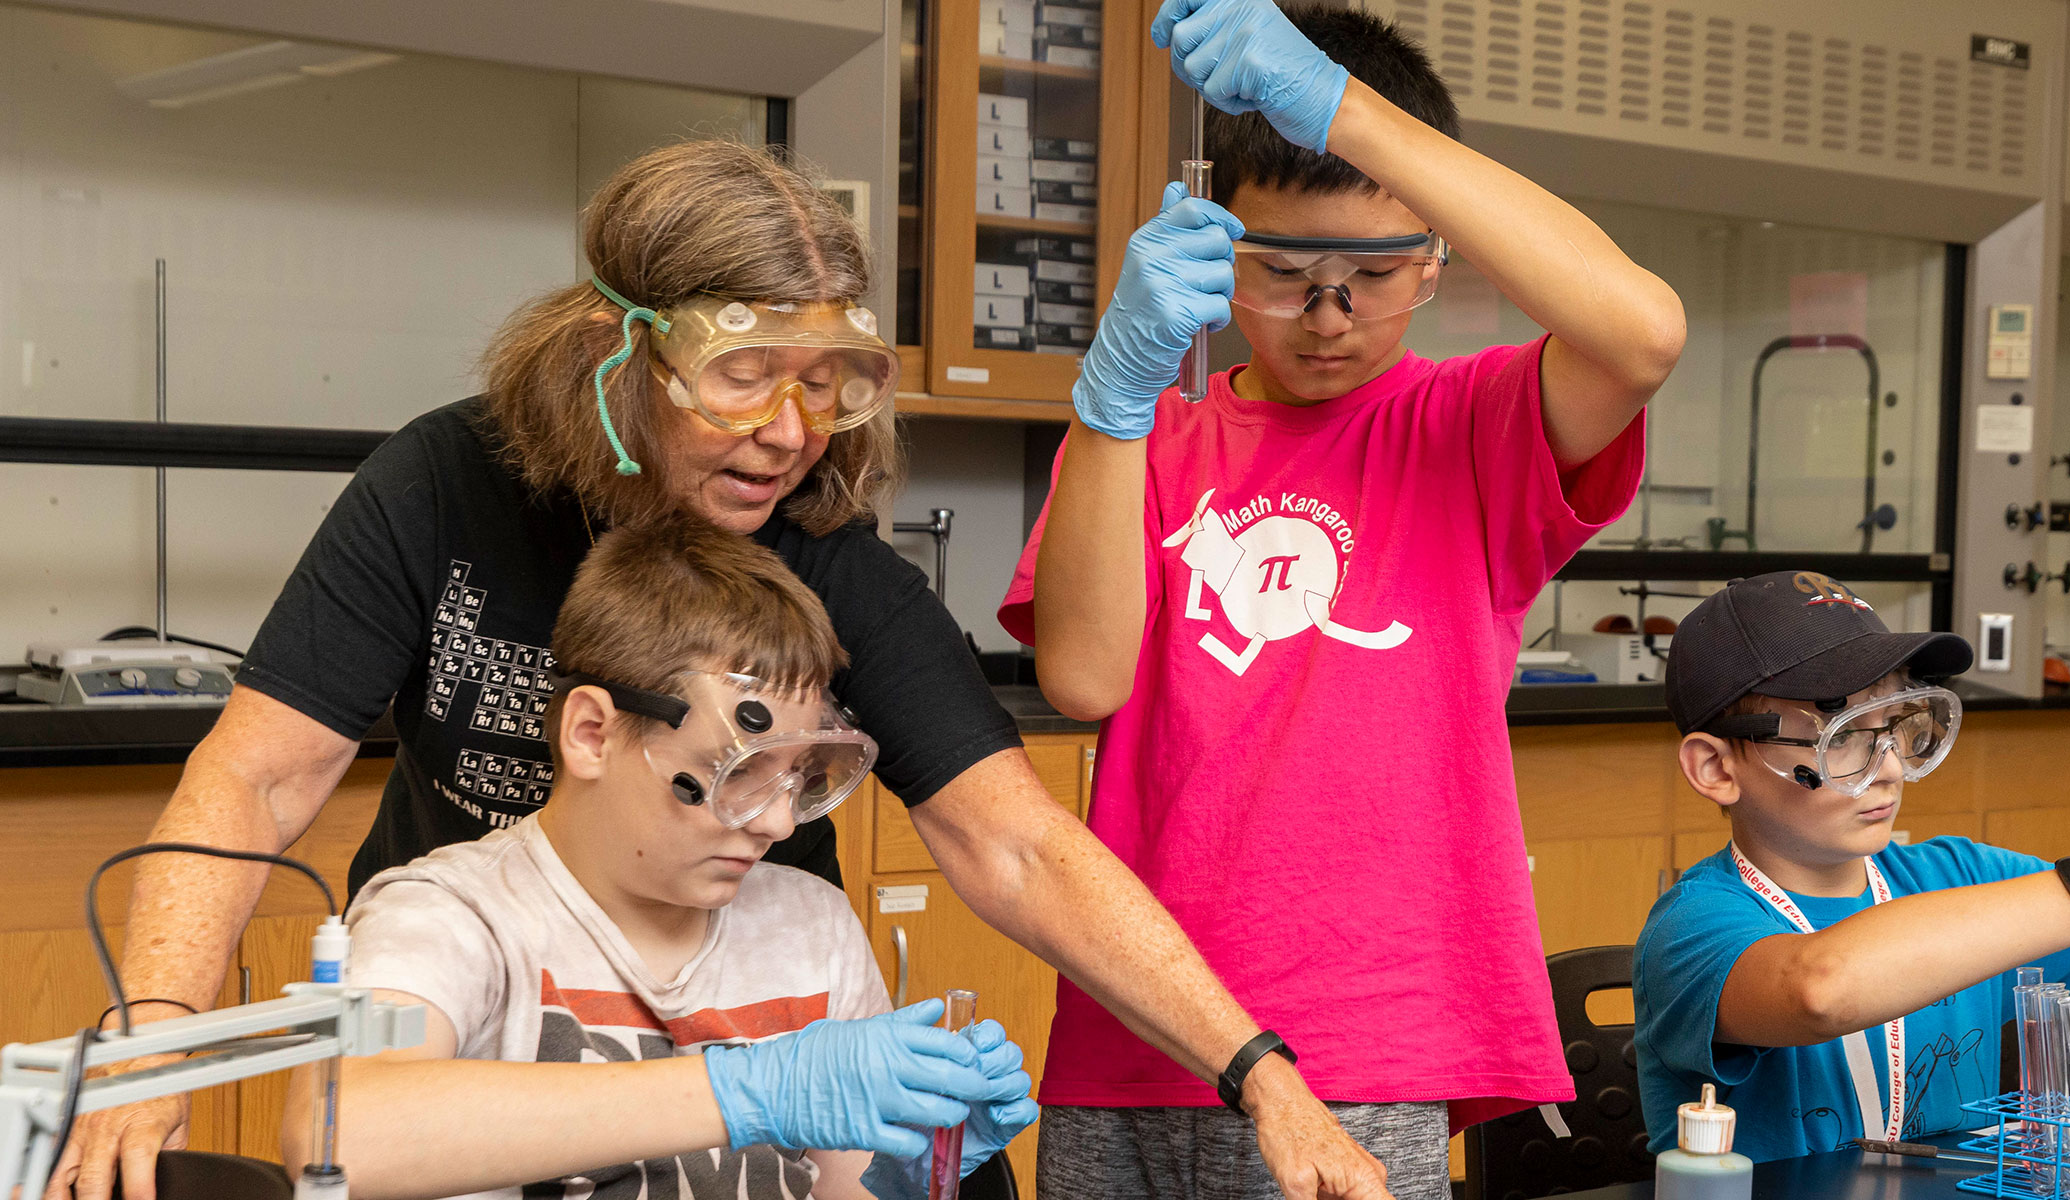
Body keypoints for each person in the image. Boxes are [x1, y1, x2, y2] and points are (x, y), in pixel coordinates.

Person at [60, 140, 1384, 1200]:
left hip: (745, 1045)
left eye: (827, 385)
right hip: (488, 1035)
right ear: (618, 352)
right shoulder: (444, 500)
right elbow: (256, 780)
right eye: (744, 377)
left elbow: (1020, 846)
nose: (789, 433)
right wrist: (154, 1036)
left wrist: (1259, 1073)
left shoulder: (820, 605)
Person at [998, 0, 1684, 1193]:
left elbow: (1640, 336)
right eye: (1283, 273)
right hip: (1136, 1030)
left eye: (1373, 274)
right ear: (1215, 249)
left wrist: (1347, 114)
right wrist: (1112, 399)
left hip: (1365, 1036)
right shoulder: (1145, 438)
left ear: (1434, 260)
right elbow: (1084, 676)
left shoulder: (1470, 428)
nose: (1329, 315)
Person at [281, 518, 1037, 1198]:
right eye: (736, 772)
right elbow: (345, 1136)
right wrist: (745, 1092)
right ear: (591, 734)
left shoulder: (812, 924)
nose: (776, 820)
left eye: (799, 777)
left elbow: (849, 1192)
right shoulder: (449, 915)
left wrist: (908, 1170)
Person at [1633, 571, 2070, 1161]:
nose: (1891, 768)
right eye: (1844, 738)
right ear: (1717, 767)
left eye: (1897, 725)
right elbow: (1820, 989)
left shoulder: (1958, 877)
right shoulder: (1693, 926)